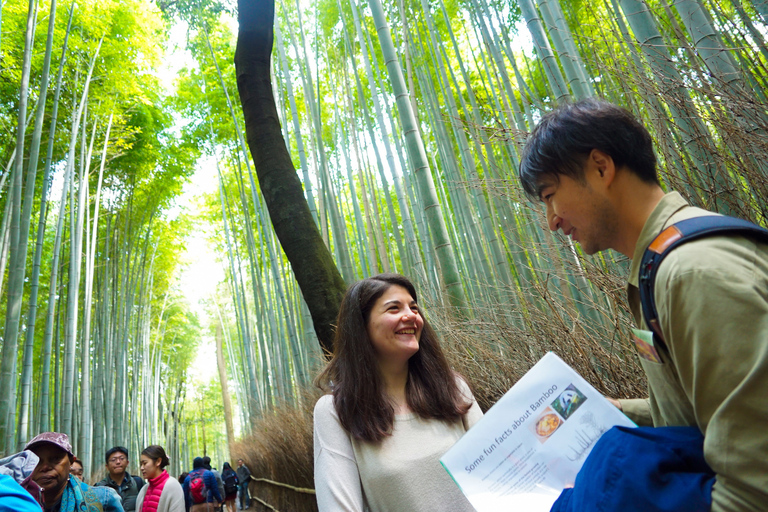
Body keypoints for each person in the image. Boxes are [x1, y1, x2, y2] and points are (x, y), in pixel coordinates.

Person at [518, 98, 768, 511]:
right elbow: (708, 413)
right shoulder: (660, 267)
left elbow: (754, 489)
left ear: (601, 167)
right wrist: (616, 410)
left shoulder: (692, 274)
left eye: (549, 195)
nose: (551, 220)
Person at [313, 273, 483, 512]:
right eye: (394, 308)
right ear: (361, 327)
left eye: (414, 308)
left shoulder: (453, 389)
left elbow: (498, 474)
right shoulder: (336, 412)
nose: (411, 316)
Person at [26, 431, 124, 511]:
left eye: (55, 459)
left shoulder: (104, 498)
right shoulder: (17, 502)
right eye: (36, 461)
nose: (45, 467)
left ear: (71, 462)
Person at [135, 445, 184, 512]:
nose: (142, 468)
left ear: (158, 461)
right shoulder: (144, 489)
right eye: (141, 464)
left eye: (145, 463)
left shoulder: (173, 486)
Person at [96, 446, 145, 512]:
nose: (118, 462)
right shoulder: (100, 487)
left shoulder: (138, 483)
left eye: (121, 458)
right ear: (107, 466)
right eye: (113, 460)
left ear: (127, 463)